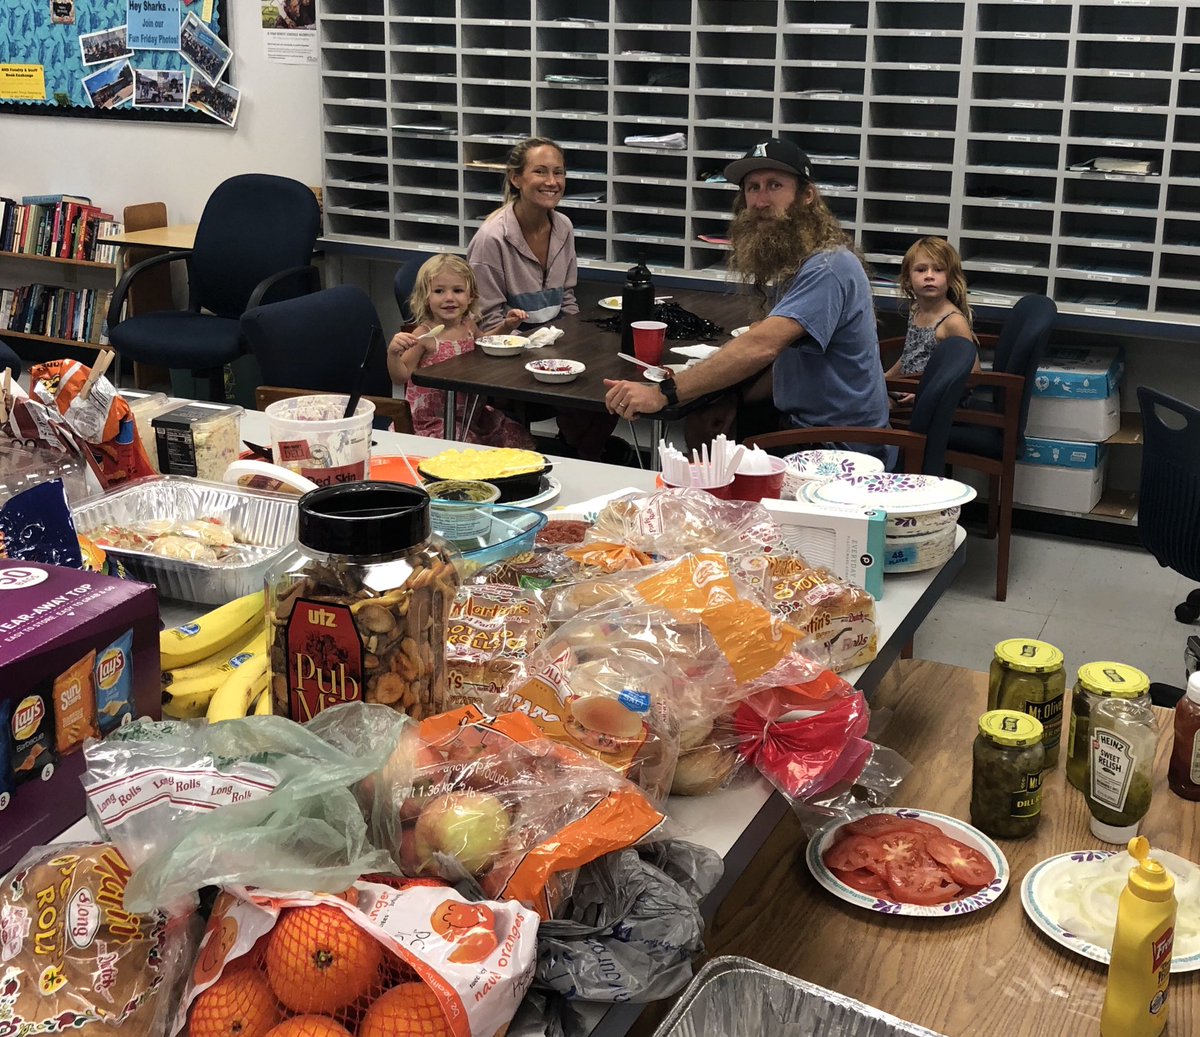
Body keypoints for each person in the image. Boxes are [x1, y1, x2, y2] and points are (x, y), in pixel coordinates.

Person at [603, 138, 894, 465]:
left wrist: (664, 393)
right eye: (753, 188)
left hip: (836, 447)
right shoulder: (802, 261)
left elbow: (761, 346)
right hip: (810, 426)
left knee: (703, 463)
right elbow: (785, 360)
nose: (760, 200)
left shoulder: (828, 267)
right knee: (706, 423)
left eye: (774, 186)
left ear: (807, 196)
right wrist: (729, 394)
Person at [467, 137, 627, 463]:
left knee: (613, 379)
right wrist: (543, 349)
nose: (552, 182)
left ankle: (578, 453)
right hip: (506, 356)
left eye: (559, 172)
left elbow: (567, 298)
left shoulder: (563, 226)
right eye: (540, 172)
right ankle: (584, 455)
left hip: (554, 344)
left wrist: (576, 342)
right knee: (581, 395)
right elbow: (488, 322)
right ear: (516, 179)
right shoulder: (491, 238)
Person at [388, 254, 535, 448]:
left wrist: (506, 326)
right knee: (464, 446)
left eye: (458, 290)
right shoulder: (425, 336)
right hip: (434, 420)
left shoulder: (468, 326)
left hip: (471, 415)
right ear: (426, 298)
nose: (449, 298)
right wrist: (393, 354)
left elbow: (486, 343)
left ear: (470, 296)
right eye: (439, 291)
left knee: (513, 433)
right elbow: (400, 376)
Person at [884, 237, 979, 406]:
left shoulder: (953, 322)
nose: (929, 276)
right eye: (920, 270)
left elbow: (972, 374)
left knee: (868, 410)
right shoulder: (916, 310)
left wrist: (927, 393)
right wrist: (886, 377)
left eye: (938, 270)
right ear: (907, 279)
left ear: (950, 278)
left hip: (937, 402)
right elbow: (910, 356)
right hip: (908, 390)